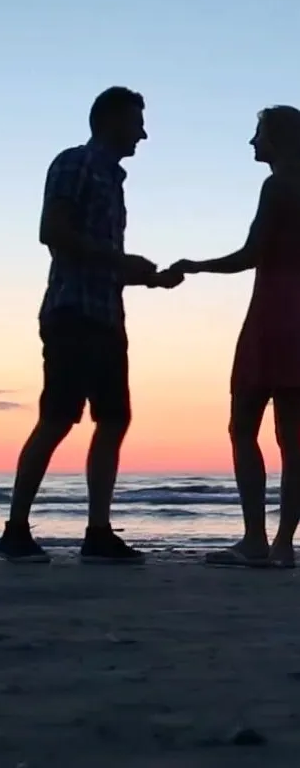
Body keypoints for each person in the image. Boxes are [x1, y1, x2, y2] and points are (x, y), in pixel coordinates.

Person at [0, 86, 183, 564]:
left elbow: (98, 257)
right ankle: (16, 528)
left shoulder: (112, 179)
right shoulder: (75, 162)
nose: (143, 133)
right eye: (136, 122)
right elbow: (53, 233)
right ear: (111, 120)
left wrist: (146, 278)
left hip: (105, 315)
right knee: (58, 418)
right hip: (72, 312)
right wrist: (121, 259)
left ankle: (98, 532)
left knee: (115, 419)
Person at [168, 105, 300, 569]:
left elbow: (250, 254)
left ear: (279, 139)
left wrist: (195, 265)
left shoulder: (277, 186)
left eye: (258, 133)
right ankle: (285, 545)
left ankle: (254, 539)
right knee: (294, 439)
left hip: (272, 315)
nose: (252, 142)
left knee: (244, 425)